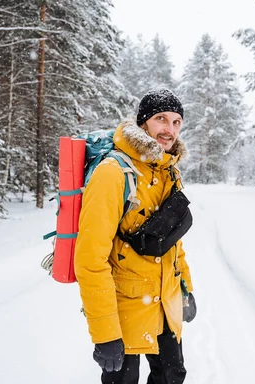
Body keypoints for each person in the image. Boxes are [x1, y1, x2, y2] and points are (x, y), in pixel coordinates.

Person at [74, 89, 197, 384]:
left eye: (177, 122)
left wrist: (185, 289)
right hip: (124, 311)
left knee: (172, 377)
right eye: (161, 119)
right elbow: (90, 260)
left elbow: (172, 243)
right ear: (143, 123)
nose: (169, 130)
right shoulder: (113, 173)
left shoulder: (169, 172)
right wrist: (105, 334)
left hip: (165, 305)